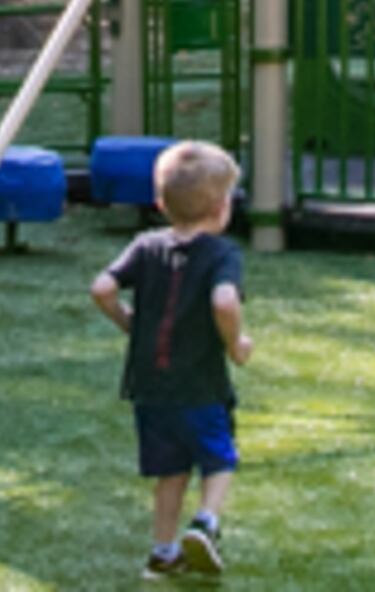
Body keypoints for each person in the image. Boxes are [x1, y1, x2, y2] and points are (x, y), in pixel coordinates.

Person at [92, 140, 253, 577]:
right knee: (220, 459)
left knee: (171, 470)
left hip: (148, 387)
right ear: (222, 207)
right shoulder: (222, 254)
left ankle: (162, 553)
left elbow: (103, 288)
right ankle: (205, 523)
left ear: (161, 204)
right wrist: (236, 344)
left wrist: (129, 323)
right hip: (199, 385)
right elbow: (224, 301)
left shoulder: (146, 246)